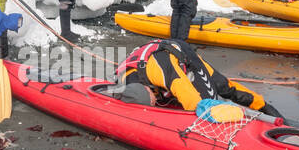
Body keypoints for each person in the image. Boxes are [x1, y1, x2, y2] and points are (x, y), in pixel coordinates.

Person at [116, 39, 282, 119]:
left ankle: (265, 107)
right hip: (157, 58)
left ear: (146, 88)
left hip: (181, 56)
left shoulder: (158, 71)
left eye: (151, 101)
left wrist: (201, 116)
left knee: (219, 90)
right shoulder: (125, 78)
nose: (153, 103)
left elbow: (188, 95)